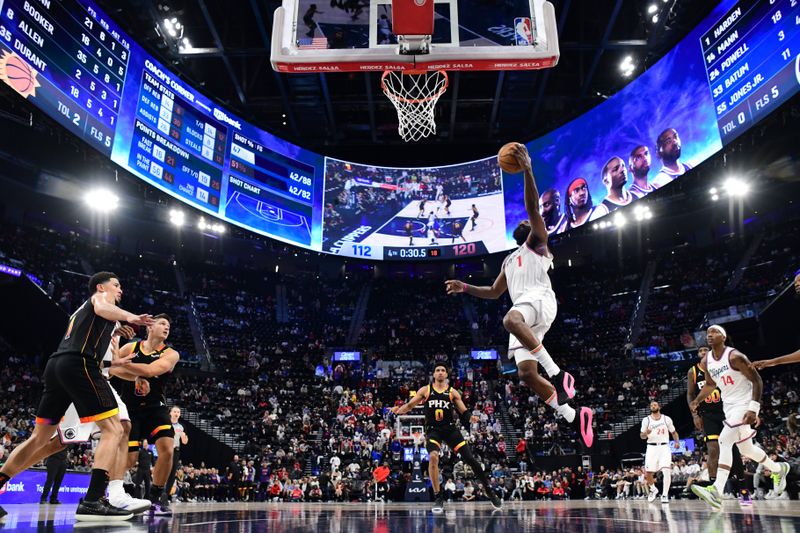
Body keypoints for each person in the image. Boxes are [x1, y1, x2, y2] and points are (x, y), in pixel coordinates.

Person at [446, 143, 593, 448]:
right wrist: (466, 287)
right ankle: (572, 415)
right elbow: (493, 291)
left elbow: (533, 209)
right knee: (526, 374)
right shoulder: (508, 260)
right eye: (525, 225)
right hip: (527, 317)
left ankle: (559, 373)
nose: (529, 223)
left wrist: (527, 170)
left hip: (538, 301)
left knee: (510, 319)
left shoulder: (538, 243)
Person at [0, 272, 153, 522]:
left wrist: (116, 337)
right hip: (80, 366)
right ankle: (93, 500)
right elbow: (103, 306)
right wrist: (131, 316)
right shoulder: (99, 299)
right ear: (101, 287)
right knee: (114, 428)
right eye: (116, 285)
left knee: (40, 438)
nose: (120, 289)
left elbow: (108, 356)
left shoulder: (91, 316)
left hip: (57, 365)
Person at [690, 325, 791, 509]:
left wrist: (753, 409)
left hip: (745, 404)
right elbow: (711, 384)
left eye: (715, 332)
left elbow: (757, 380)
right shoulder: (706, 362)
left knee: (724, 440)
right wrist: (697, 400)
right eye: (708, 333)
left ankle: (716, 490)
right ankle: (779, 469)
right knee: (747, 449)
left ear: (724, 337)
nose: (710, 335)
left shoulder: (735, 357)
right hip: (729, 406)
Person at [391, 364, 502, 513]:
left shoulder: (452, 392)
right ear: (434, 374)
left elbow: (463, 411)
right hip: (433, 430)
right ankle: (438, 497)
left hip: (450, 429)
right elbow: (411, 404)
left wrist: (471, 418)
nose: (440, 372)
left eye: (443, 370)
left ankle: (489, 490)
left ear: (447, 375)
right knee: (433, 457)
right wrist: (399, 410)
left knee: (471, 459)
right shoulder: (426, 390)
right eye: (437, 370)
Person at [110, 314, 180, 515]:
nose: (166, 327)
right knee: (130, 459)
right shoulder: (131, 347)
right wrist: (133, 374)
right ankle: (110, 492)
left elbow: (151, 370)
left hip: (156, 407)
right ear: (149, 327)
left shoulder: (171, 353)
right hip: (130, 408)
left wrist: (124, 365)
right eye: (162, 323)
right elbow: (111, 369)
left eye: (168, 325)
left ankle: (156, 498)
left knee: (167, 448)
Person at [687, 346, 747, 503]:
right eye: (701, 351)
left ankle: (743, 488)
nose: (704, 352)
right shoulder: (693, 372)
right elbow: (690, 394)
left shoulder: (721, 367)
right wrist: (695, 415)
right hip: (708, 415)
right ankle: (714, 490)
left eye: (706, 349)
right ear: (698, 355)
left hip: (726, 411)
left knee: (733, 449)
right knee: (713, 449)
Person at [639, 401, 679, 503]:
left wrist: (677, 442)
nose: (653, 406)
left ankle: (665, 495)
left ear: (659, 407)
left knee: (666, 471)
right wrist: (646, 433)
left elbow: (673, 432)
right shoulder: (646, 420)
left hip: (664, 447)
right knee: (648, 473)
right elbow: (642, 436)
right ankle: (653, 489)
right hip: (651, 447)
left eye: (655, 405)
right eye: (651, 405)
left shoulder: (666, 419)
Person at [165, 406, 188, 501]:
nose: (176, 413)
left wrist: (183, 436)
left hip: (176, 451)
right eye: (175, 411)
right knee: (164, 472)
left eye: (178, 412)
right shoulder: (165, 423)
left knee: (172, 474)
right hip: (166, 450)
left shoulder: (181, 426)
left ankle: (165, 496)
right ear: (170, 413)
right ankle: (158, 494)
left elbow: (185, 442)